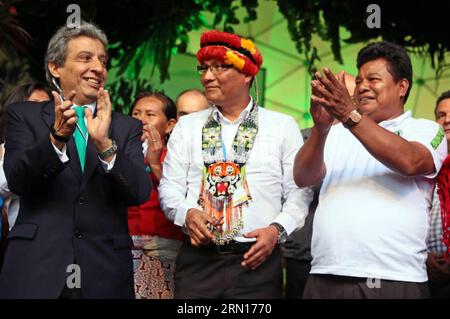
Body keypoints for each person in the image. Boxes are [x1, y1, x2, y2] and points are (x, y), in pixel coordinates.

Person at [0, 21, 151, 299]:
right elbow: (18, 180)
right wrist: (56, 138)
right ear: (55, 67)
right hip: (37, 270)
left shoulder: (126, 127)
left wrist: (105, 145)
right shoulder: (26, 116)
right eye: (85, 58)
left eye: (103, 61)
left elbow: (138, 192)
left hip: (104, 273)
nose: (98, 68)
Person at [159, 30, 312, 299]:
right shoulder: (187, 127)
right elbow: (169, 188)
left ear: (247, 74)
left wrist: (275, 231)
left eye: (219, 67)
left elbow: (299, 192)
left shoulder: (282, 126)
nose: (207, 76)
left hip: (258, 262)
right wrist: (188, 214)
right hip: (199, 262)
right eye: (204, 68)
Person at [294, 41, 447, 299]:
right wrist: (321, 129)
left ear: (402, 86)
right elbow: (302, 177)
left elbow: (410, 162)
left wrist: (349, 115)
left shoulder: (426, 130)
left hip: (394, 278)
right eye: (360, 79)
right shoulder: (338, 132)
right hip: (324, 273)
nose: (363, 86)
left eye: (373, 79)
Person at [283, 73, 356, 299]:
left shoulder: (365, 140)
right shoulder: (301, 138)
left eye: (344, 93)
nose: (336, 99)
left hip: (347, 257)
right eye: (328, 93)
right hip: (300, 253)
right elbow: (293, 187)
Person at [127, 91, 183, 299]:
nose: (141, 119)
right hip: (125, 245)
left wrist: (154, 163)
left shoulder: (177, 157)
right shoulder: (119, 154)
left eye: (150, 114)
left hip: (162, 248)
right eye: (136, 113)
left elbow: (180, 198)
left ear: (170, 125)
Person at [0, 82, 51, 234]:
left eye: (47, 106)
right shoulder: (3, 150)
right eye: (34, 106)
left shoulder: (62, 151)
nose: (42, 112)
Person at [428, 90, 450, 298]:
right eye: (441, 115)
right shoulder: (423, 164)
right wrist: (424, 258)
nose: (447, 120)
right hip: (425, 272)